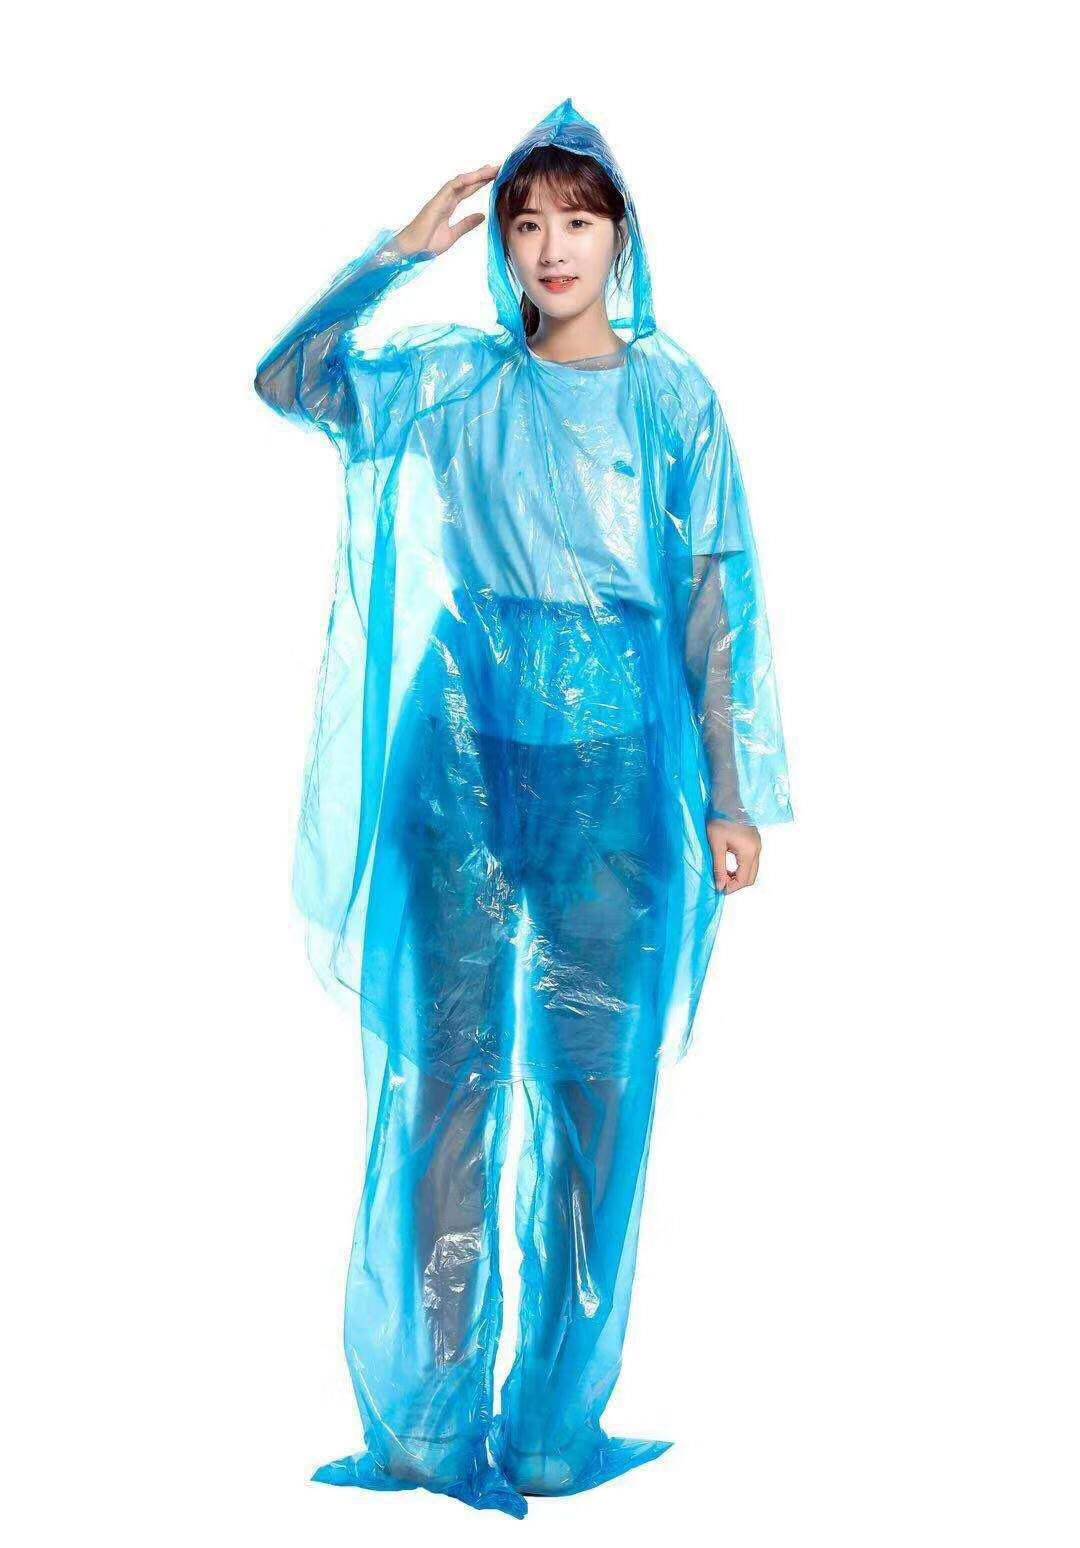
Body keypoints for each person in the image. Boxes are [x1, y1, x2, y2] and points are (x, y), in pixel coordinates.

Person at [254, 99, 793, 1518]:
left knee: (596, 1096)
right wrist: (394, 253)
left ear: (622, 237)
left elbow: (714, 595)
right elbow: (292, 379)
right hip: (461, 766)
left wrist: (735, 792)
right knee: (447, 1089)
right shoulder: (455, 380)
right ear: (499, 244)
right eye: (526, 221)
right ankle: (430, 1422)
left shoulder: (672, 399)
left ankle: (555, 1418)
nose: (552, 246)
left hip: (617, 778)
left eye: (579, 219)